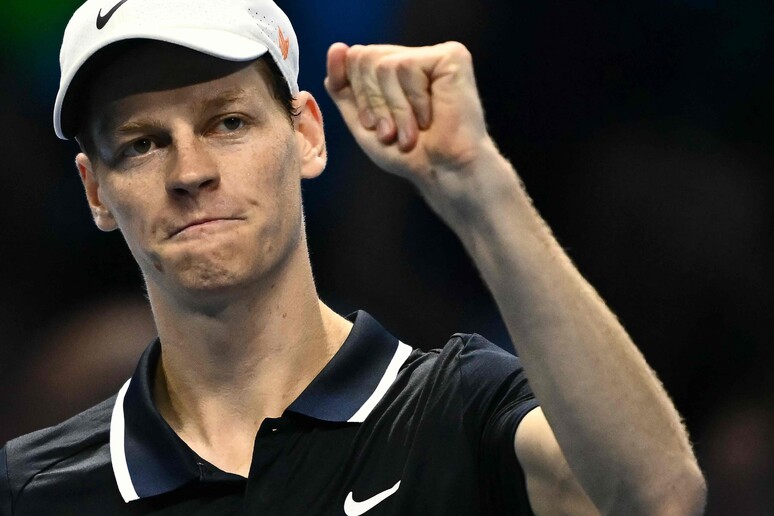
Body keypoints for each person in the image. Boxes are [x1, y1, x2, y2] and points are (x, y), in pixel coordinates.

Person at [0, 0, 706, 514]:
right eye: (142, 143)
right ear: (96, 189)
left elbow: (657, 496)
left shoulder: (455, 410)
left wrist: (476, 185)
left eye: (229, 122)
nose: (190, 171)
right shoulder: (33, 488)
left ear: (307, 134)